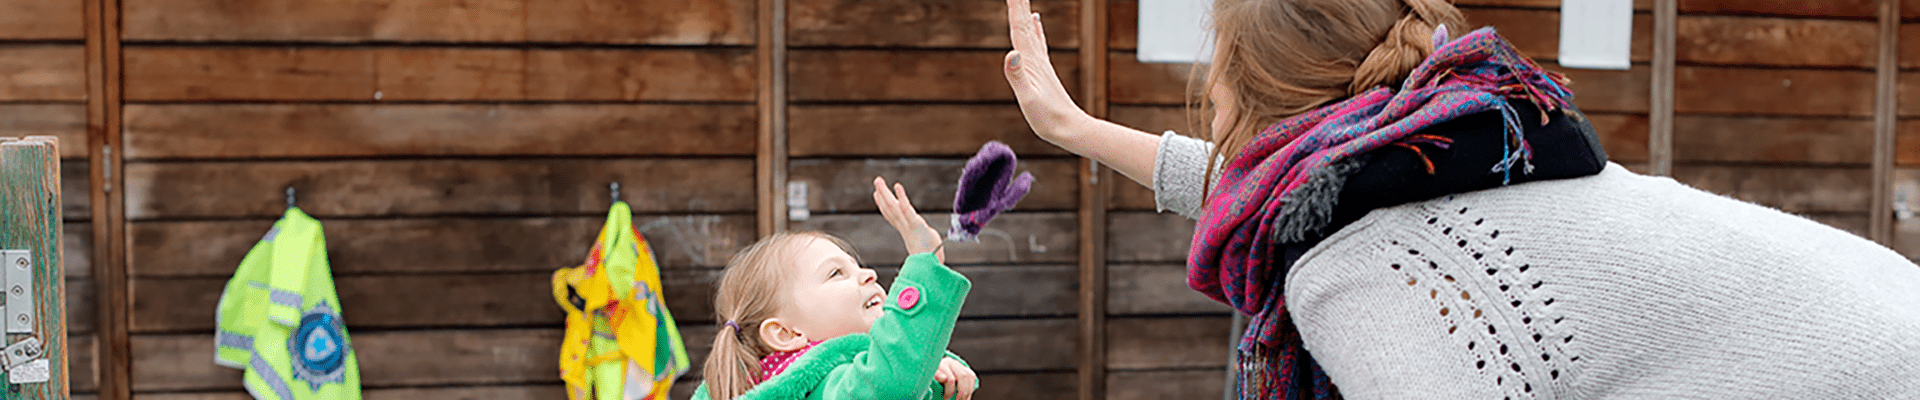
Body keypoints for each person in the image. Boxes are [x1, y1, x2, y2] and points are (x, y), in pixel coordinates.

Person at [1000, 0, 1920, 398]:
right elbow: (1270, 193)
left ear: (1252, 90)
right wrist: (1074, 127)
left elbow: (1303, 220)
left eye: (1215, 77)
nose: (1206, 99)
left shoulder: (1364, 271)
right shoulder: (1459, 148)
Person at [692, 178, 980, 400]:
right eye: (836, 273)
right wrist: (924, 269)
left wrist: (929, 382)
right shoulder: (821, 386)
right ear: (786, 333)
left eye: (858, 265)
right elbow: (887, 386)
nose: (868, 274)